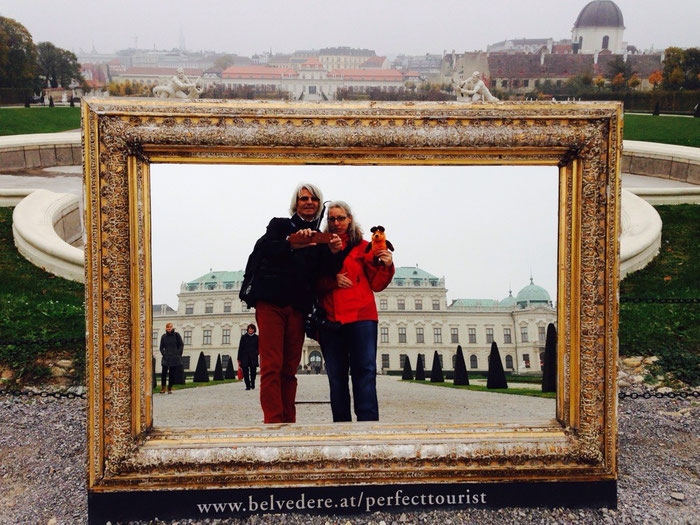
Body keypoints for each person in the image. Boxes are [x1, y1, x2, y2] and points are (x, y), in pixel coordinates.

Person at [245, 183, 341, 423]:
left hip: (298, 308)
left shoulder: (321, 237)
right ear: (296, 203)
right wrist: (292, 241)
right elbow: (265, 248)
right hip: (271, 302)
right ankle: (273, 422)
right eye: (304, 198)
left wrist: (333, 251)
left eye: (314, 199)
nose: (309, 202)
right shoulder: (280, 224)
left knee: (289, 369)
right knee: (271, 365)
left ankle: (288, 421)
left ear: (319, 205)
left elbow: (323, 274)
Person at [316, 201, 395, 422]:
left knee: (365, 374)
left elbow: (377, 284)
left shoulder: (365, 247)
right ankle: (341, 427)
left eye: (340, 218)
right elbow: (310, 282)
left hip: (362, 318)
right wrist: (332, 281)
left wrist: (387, 265)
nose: (336, 223)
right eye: (331, 219)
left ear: (350, 219)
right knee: (336, 377)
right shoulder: (320, 248)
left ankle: (368, 427)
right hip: (332, 319)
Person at [159, 323, 183, 394]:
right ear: (166, 328)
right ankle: (163, 388)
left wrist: (178, 354)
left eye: (170, 327)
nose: (169, 328)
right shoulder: (163, 337)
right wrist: (164, 353)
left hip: (174, 357)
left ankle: (169, 388)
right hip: (166, 357)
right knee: (164, 373)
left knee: (172, 374)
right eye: (167, 327)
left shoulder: (176, 335)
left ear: (172, 328)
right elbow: (161, 347)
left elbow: (181, 345)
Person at [237, 323, 259, 390]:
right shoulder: (243, 337)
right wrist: (239, 358)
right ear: (248, 329)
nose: (251, 330)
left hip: (253, 357)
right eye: (249, 329)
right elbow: (240, 348)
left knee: (253, 372)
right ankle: (247, 385)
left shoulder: (257, 337)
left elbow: (259, 347)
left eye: (252, 329)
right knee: (245, 372)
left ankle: (252, 382)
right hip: (244, 357)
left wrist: (256, 353)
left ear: (254, 330)